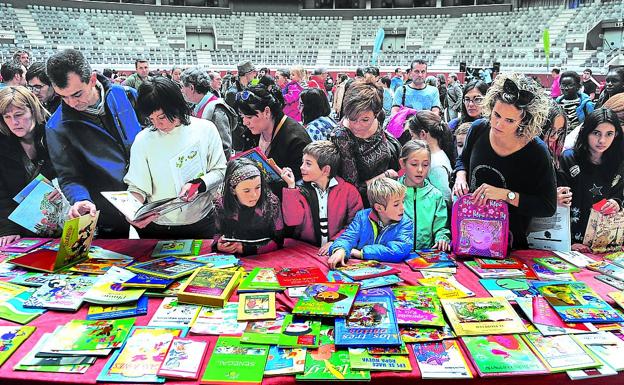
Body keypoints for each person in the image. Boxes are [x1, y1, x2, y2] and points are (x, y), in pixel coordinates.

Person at [453, 73, 557, 249]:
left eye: (510, 120)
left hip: (511, 244)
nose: (498, 124)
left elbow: (547, 206)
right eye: (496, 115)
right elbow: (462, 160)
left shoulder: (536, 151)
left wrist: (505, 195)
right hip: (468, 235)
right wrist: (460, 177)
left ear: (524, 122)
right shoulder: (478, 129)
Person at [46, 49, 142, 237]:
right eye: (63, 97)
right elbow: (69, 176)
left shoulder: (125, 95)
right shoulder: (57, 127)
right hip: (108, 212)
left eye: (77, 94)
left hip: (149, 197)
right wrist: (80, 199)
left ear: (92, 79)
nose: (71, 103)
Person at [122, 78, 225, 239]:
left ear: (176, 107)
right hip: (157, 227)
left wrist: (199, 184)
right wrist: (132, 211)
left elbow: (220, 171)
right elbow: (137, 187)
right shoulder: (143, 140)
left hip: (201, 222)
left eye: (162, 117)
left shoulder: (205, 130)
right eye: (151, 119)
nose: (157, 125)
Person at [557, 108, 624, 251]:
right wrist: (567, 242)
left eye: (609, 134)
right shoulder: (569, 158)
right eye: (596, 133)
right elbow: (560, 205)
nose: (602, 140)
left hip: (604, 242)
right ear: (586, 132)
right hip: (571, 243)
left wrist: (616, 203)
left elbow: (618, 195)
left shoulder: (619, 162)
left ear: (616, 135)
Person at [280, 141, 363, 255]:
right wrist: (290, 187)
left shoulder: (349, 191)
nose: (301, 167)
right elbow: (292, 220)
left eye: (308, 164)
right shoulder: (298, 190)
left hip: (336, 250)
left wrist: (336, 241)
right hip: (304, 251)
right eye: (302, 162)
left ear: (326, 170)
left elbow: (355, 224)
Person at [0, 86, 58, 246]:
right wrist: (8, 229)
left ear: (33, 110)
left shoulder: (55, 133)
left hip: (60, 218)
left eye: (19, 114)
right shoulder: (2, 143)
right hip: (19, 222)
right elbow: (1, 194)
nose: (14, 122)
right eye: (7, 117)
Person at [330, 79, 401, 205]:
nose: (357, 125)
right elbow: (352, 189)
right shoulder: (341, 137)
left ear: (376, 114)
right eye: (352, 118)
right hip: (361, 204)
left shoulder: (379, 116)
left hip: (386, 196)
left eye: (365, 120)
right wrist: (385, 176)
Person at [235, 84, 311, 194]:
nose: (245, 122)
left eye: (249, 117)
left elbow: (299, 184)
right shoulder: (251, 133)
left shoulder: (296, 140)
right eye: (243, 117)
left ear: (267, 112)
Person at [327, 177, 413, 268]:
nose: (402, 207)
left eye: (403, 202)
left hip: (392, 270)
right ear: (379, 208)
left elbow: (398, 251)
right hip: (362, 269)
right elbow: (347, 237)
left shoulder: (406, 223)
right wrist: (340, 250)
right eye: (396, 204)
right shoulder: (362, 217)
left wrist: (362, 253)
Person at [213, 158, 284, 255]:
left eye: (258, 187)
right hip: (231, 257)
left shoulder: (271, 203)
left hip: (263, 256)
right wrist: (218, 245)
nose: (254, 195)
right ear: (232, 190)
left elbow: (279, 240)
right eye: (246, 191)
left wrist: (246, 249)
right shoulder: (221, 203)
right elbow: (218, 233)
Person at [399, 140, 450, 251]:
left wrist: (442, 239)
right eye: (414, 164)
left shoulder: (436, 196)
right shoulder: (393, 192)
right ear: (403, 163)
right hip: (396, 256)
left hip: (426, 257)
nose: (420, 170)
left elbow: (441, 228)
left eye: (425, 165)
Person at [180, 67, 235, 159]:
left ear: (191, 87)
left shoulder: (216, 111)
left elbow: (225, 148)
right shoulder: (198, 106)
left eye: (182, 86)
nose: (181, 90)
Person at [407, 110, 455, 202]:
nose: (411, 140)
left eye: (412, 136)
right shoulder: (437, 156)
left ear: (422, 134)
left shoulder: (434, 165)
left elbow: (445, 200)